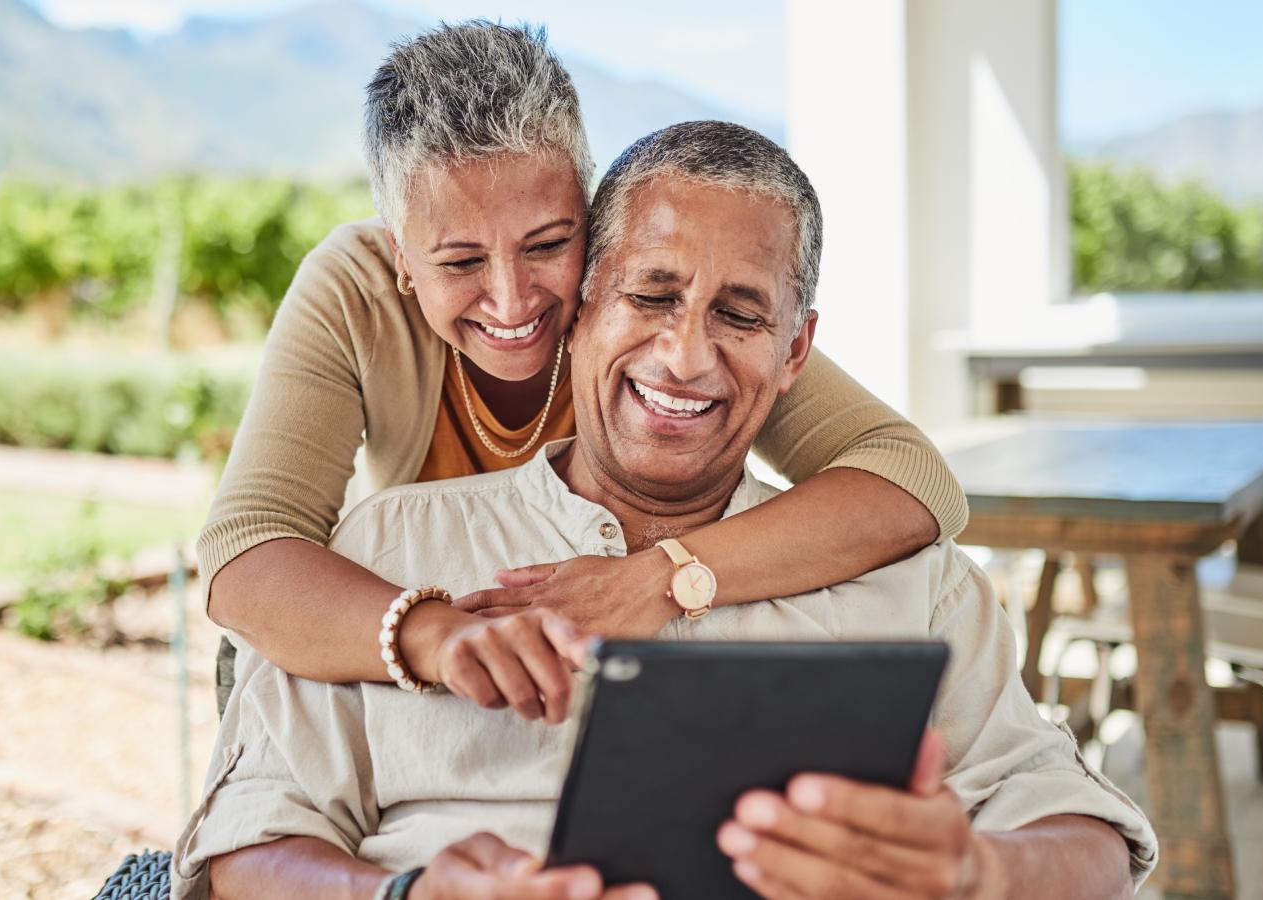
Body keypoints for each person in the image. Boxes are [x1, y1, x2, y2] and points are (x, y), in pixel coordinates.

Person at [173, 121, 1157, 900]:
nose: (686, 357)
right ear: (579, 310)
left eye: (739, 315)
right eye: (650, 295)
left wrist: (983, 877)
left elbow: (1090, 839)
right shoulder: (387, 549)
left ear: (794, 354)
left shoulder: (919, 584)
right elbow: (242, 850)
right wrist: (403, 894)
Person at [200, 21, 969, 715]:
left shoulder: (649, 294)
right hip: (425, 665)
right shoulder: (354, 290)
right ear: (402, 256)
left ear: (594, 217)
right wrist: (436, 636)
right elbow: (246, 548)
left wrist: (666, 576)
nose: (512, 299)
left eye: (547, 244)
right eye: (460, 259)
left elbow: (911, 478)